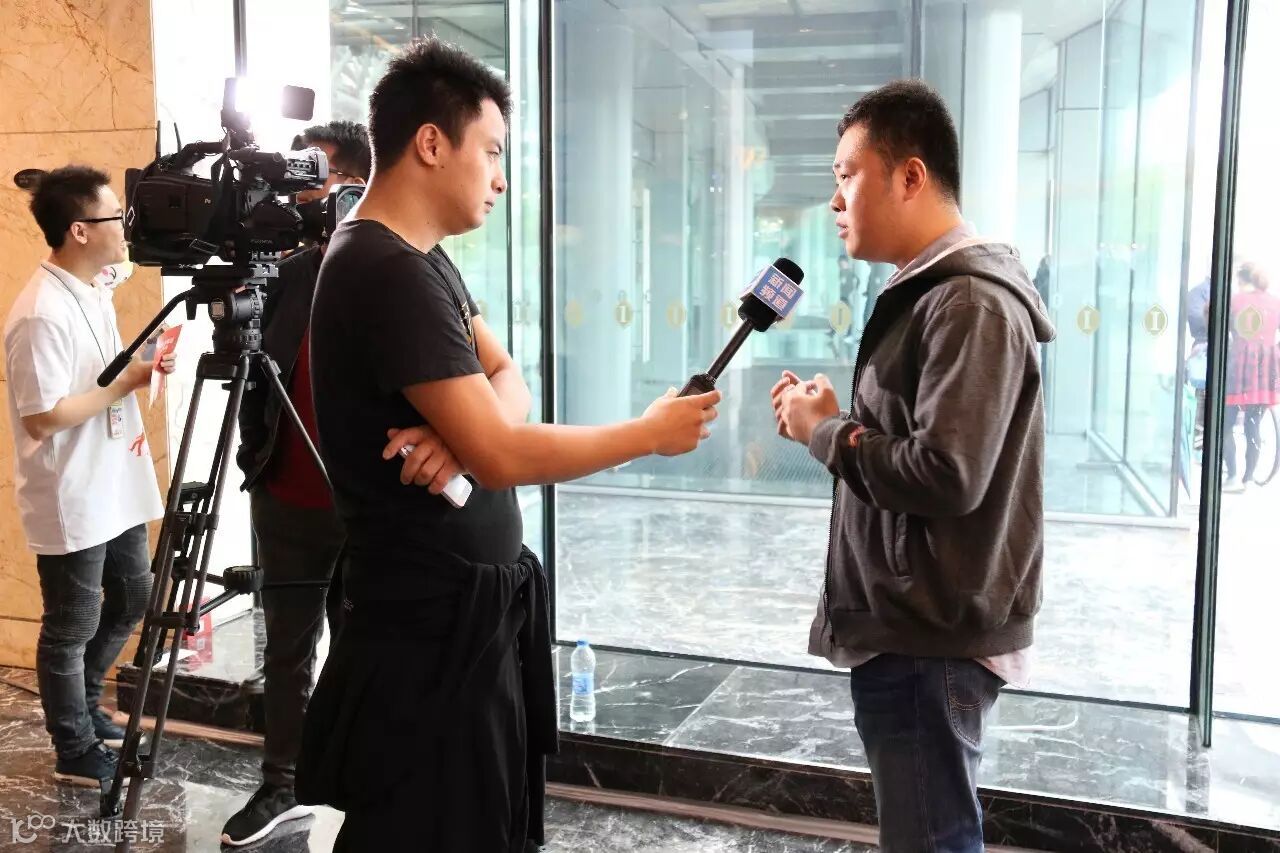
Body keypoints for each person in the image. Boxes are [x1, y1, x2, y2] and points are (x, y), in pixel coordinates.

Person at [296, 37, 719, 851]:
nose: (499, 178)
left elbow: (506, 373)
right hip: (424, 640)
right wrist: (645, 434)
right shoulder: (384, 269)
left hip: (459, 625)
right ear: (431, 143)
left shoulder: (421, 259)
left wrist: (463, 437)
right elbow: (505, 452)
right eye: (490, 152)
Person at [771, 80, 1055, 852]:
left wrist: (828, 431)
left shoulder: (966, 302)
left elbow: (946, 472)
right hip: (917, 623)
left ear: (910, 175)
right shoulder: (933, 294)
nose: (835, 200)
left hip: (931, 635)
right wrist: (839, 422)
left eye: (847, 175)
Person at [220, 121, 372, 847]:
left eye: (311, 175)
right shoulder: (281, 270)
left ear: (352, 188)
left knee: (364, 648)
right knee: (287, 650)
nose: (296, 192)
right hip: (286, 493)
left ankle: (364, 783)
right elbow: (245, 367)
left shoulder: (389, 268)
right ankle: (281, 784)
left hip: (366, 505)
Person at [3, 165, 175, 787]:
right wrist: (127, 382)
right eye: (114, 217)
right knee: (71, 623)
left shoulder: (90, 283)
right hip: (71, 490)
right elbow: (44, 417)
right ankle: (73, 747)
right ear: (79, 230)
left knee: (133, 597)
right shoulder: (39, 314)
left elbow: (119, 276)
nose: (125, 226)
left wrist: (144, 362)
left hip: (113, 479)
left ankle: (84, 704)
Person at [1223, 262, 1279, 492]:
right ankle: (1248, 479)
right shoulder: (1275, 303)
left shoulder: (1236, 301)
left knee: (1225, 425)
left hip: (1239, 369)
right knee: (1253, 425)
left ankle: (1232, 476)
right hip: (1264, 371)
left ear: (1242, 280)